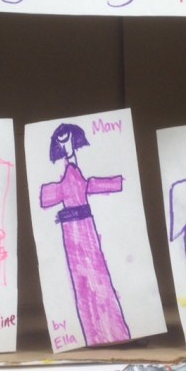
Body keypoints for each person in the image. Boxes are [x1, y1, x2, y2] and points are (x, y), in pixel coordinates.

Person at [39, 123, 130, 346]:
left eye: (69, 139)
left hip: (81, 228)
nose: (67, 145)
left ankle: (106, 331)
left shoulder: (73, 173)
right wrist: (115, 183)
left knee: (94, 279)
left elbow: (86, 186)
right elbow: (60, 192)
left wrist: (116, 183)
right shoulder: (69, 174)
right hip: (75, 232)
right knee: (88, 282)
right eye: (62, 141)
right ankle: (102, 332)